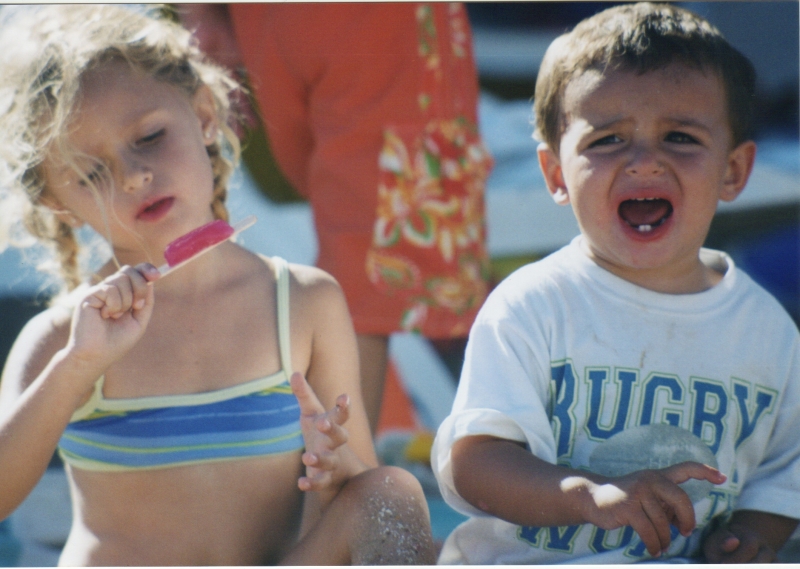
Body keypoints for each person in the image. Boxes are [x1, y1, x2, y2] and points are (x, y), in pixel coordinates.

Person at [0, 5, 436, 565]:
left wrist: (335, 475)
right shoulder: (65, 335)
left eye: (150, 137)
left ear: (205, 114)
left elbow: (354, 492)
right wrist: (78, 366)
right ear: (58, 203)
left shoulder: (302, 302)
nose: (133, 176)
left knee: (389, 494)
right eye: (91, 174)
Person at [431, 2, 800, 564]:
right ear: (556, 174)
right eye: (607, 140)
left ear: (733, 171)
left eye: (680, 136)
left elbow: (783, 475)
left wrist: (751, 536)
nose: (644, 161)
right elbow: (474, 462)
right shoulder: (532, 306)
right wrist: (584, 495)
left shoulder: (767, 331)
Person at [178, 3, 494, 432]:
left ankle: (337, 468)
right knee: (365, 264)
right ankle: (343, 478)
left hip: (277, 21)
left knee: (357, 252)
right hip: (364, 24)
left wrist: (202, 11)